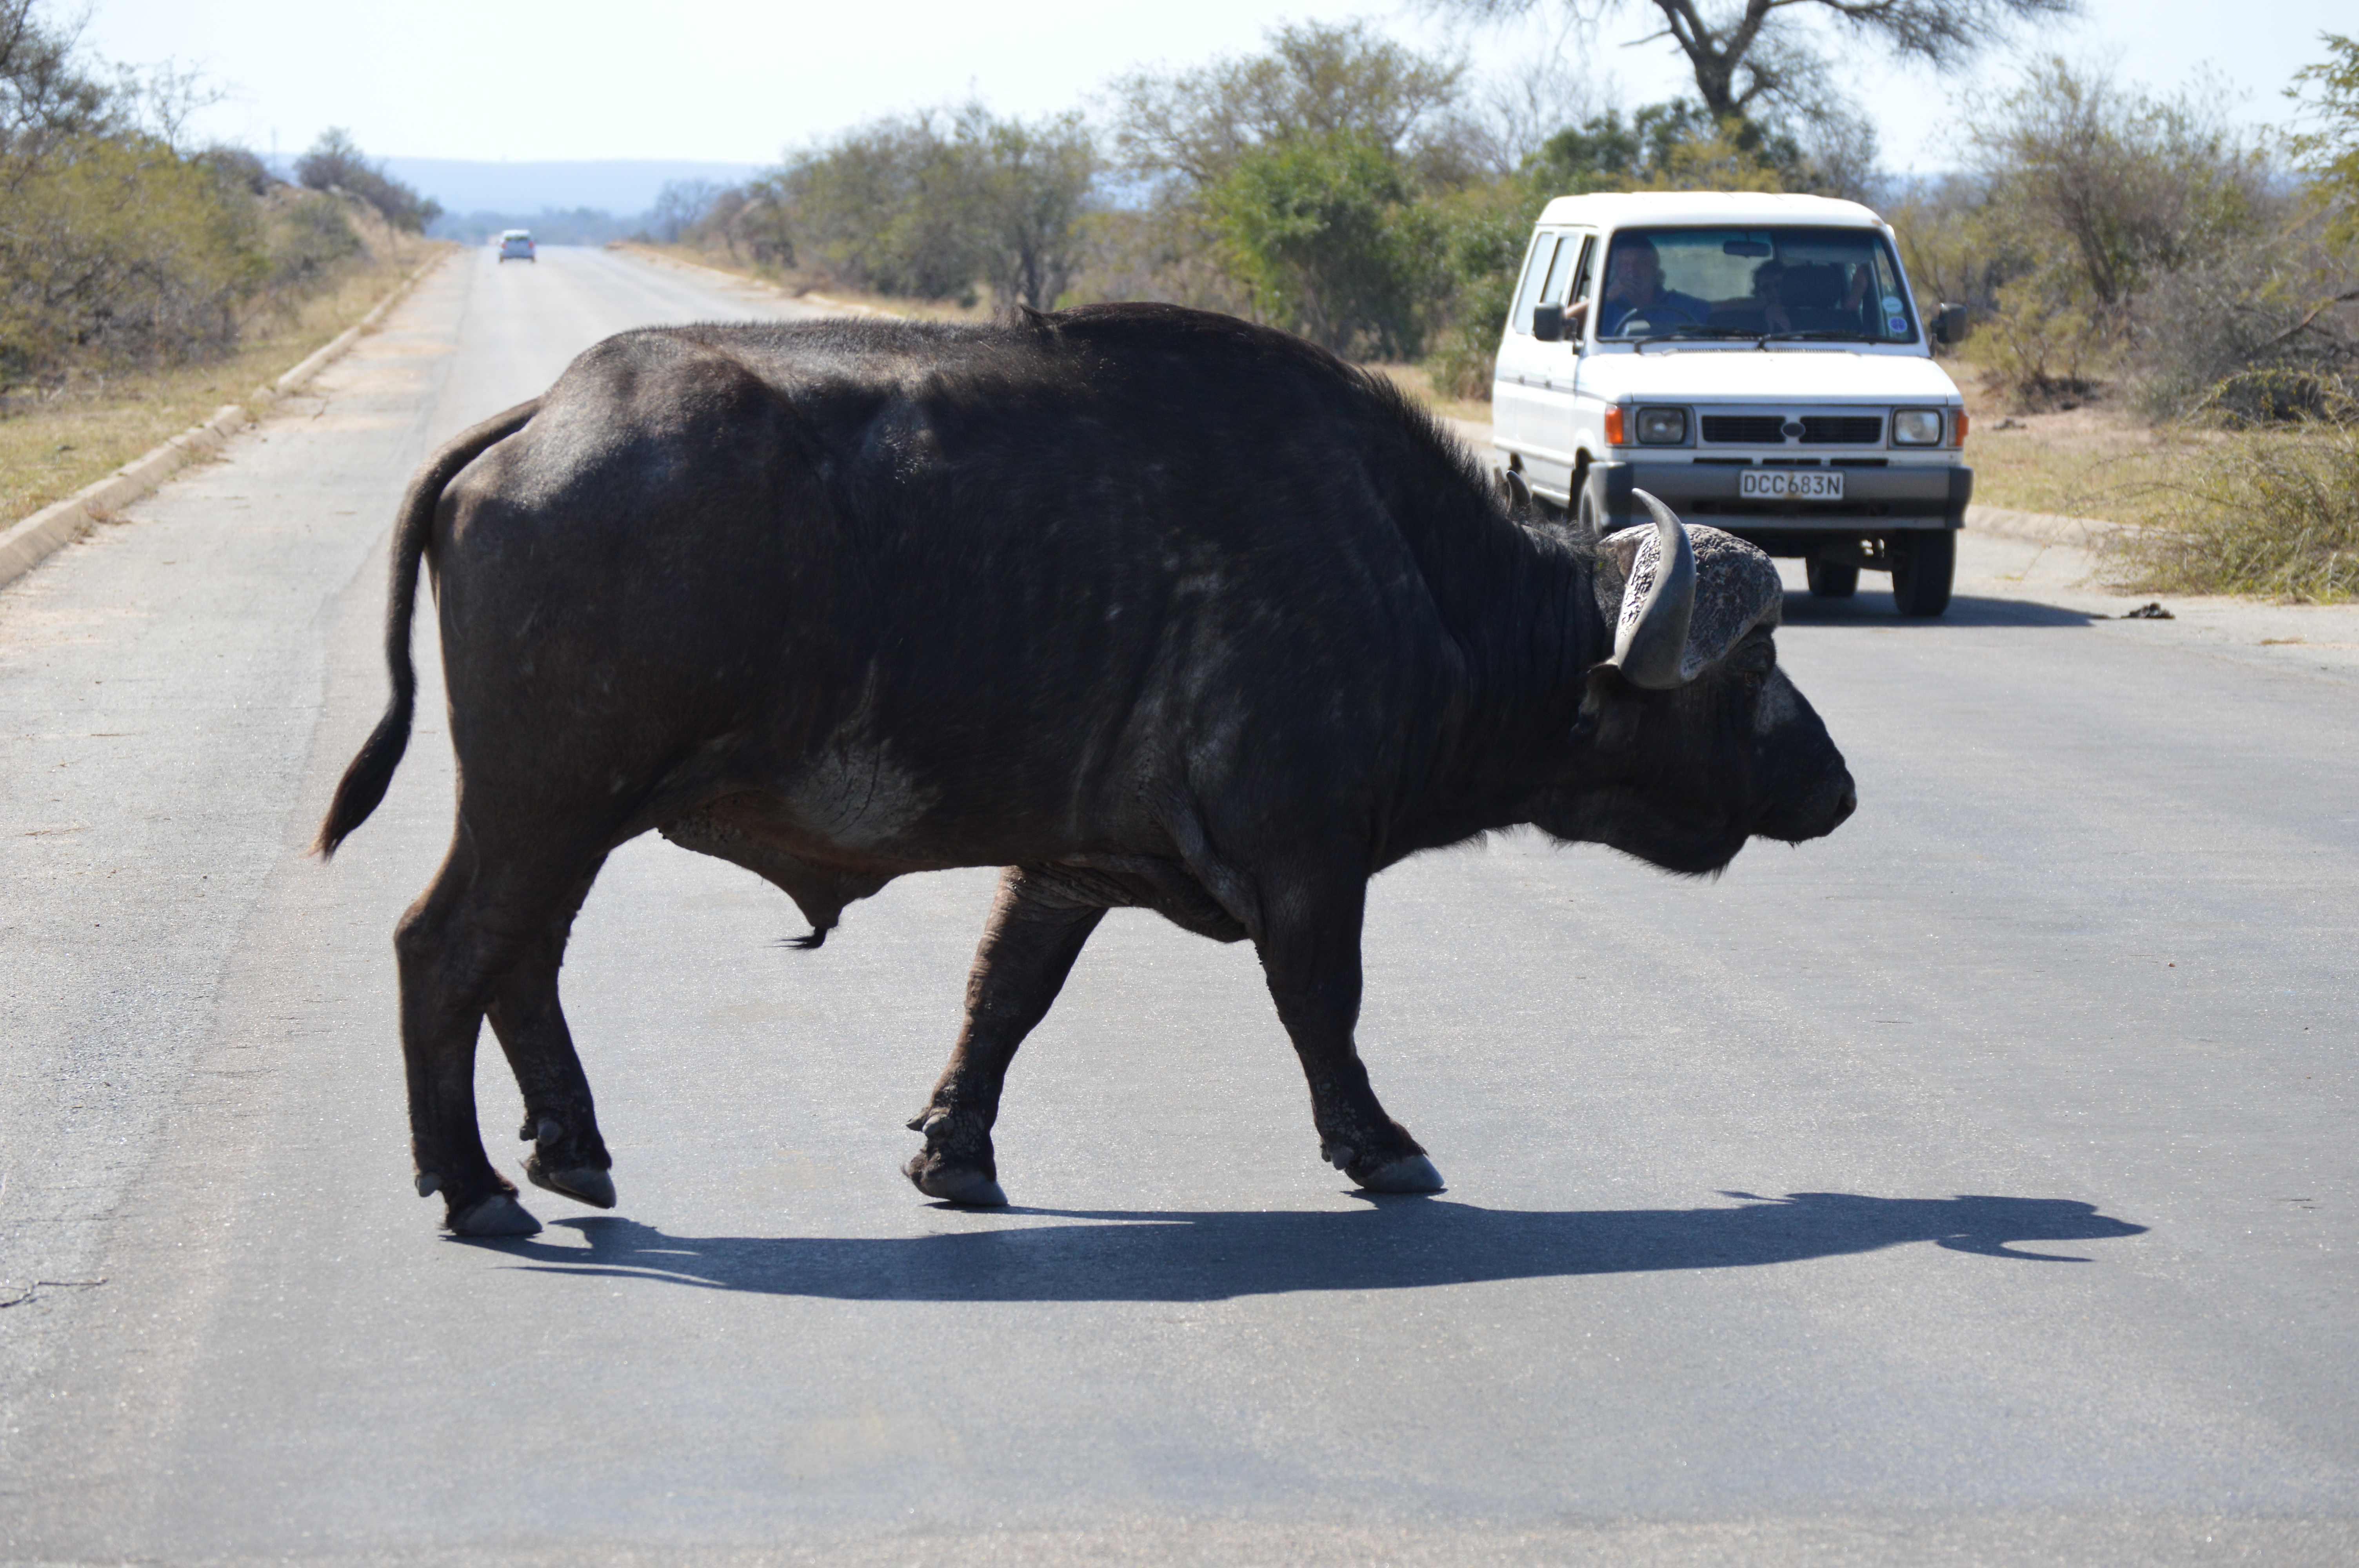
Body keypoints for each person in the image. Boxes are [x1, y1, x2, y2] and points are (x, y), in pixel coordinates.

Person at [1596, 236, 1710, 335]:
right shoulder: (1603, 307)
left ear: (1654, 267)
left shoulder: (1679, 304)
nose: (1632, 271)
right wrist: (1605, 297)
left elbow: (1719, 312)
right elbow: (1578, 316)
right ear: (1617, 269)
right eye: (1625, 264)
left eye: (1640, 263)